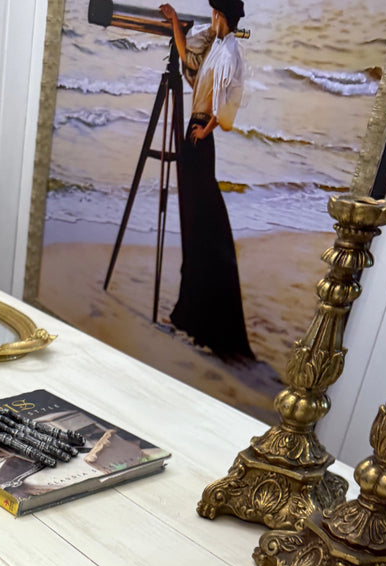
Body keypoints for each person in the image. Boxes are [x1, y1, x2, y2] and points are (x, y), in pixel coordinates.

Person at [159, 0, 253, 360]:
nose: (212, 17)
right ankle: (191, 313)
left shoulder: (230, 53)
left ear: (219, 15)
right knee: (195, 223)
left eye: (214, 12)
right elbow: (189, 61)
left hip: (200, 136)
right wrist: (175, 26)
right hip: (196, 134)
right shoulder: (217, 46)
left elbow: (226, 104)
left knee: (201, 224)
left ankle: (201, 317)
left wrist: (206, 129)